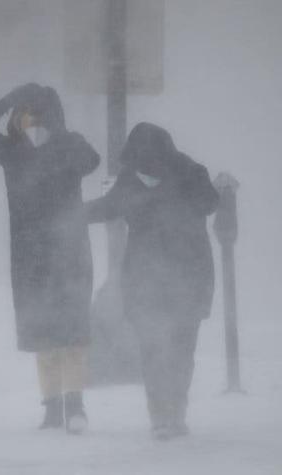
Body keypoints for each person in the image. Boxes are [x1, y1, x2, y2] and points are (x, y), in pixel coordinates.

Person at [0, 83, 100, 434]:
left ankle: (74, 406)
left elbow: (92, 160)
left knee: (71, 335)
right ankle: (53, 408)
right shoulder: (13, 151)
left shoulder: (68, 146)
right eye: (22, 113)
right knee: (44, 334)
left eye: (34, 113)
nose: (28, 121)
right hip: (31, 256)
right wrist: (5, 98)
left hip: (69, 253)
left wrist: (61, 136)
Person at [86, 122, 219, 440]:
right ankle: (164, 415)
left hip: (185, 275)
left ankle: (174, 413)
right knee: (156, 348)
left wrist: (167, 191)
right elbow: (107, 207)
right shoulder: (131, 178)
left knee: (177, 349)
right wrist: (66, 213)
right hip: (151, 278)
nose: (142, 168)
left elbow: (209, 203)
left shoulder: (189, 172)